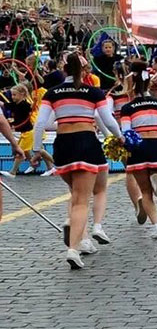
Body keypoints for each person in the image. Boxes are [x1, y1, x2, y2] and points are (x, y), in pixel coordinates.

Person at [35, 51, 118, 268]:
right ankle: (73, 248)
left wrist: (36, 149)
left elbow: (40, 124)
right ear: (85, 70)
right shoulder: (93, 92)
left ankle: (81, 238)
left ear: (64, 70)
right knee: (82, 199)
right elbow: (107, 120)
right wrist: (120, 138)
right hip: (85, 142)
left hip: (62, 145)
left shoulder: (52, 93)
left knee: (75, 194)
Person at [119, 68, 157, 239]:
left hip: (138, 148)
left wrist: (128, 152)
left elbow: (126, 133)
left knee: (145, 192)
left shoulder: (127, 108)